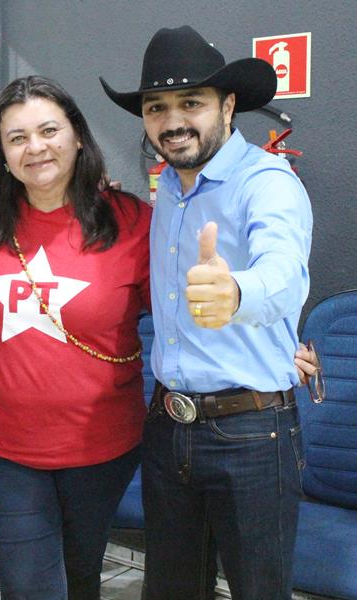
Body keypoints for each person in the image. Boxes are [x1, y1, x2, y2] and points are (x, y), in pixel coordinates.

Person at [101, 25, 312, 599]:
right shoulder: (166, 186)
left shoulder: (267, 182)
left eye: (191, 102)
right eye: (156, 107)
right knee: (170, 590)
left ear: (228, 104)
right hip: (170, 428)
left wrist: (237, 293)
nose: (173, 121)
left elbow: (285, 272)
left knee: (258, 591)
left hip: (251, 432)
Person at [0, 75, 151, 599]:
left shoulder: (132, 221)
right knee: (31, 586)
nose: (35, 147)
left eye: (49, 130)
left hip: (101, 444)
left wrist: (267, 344)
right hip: (5, 445)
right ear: (1, 153)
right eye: (16, 137)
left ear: (78, 137)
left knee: (80, 573)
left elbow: (185, 316)